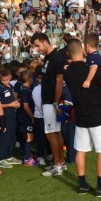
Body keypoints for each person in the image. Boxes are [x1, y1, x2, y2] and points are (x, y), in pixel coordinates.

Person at [62, 38, 101, 197]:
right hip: (98, 115)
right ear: (82, 50)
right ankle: (100, 187)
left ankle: (83, 185)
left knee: (81, 150)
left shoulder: (67, 71)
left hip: (80, 115)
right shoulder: (91, 68)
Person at [31, 32, 68, 177]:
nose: (37, 49)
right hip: (49, 101)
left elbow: (60, 80)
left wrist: (55, 101)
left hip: (51, 102)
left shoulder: (57, 58)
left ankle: (57, 165)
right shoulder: (48, 57)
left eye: (37, 45)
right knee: (55, 133)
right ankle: (61, 162)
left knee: (51, 133)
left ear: (45, 42)